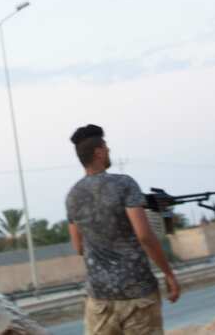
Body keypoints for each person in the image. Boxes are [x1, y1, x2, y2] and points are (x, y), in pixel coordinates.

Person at [65, 124, 181, 335]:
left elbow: (78, 246)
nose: (109, 151)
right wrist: (169, 274)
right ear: (98, 152)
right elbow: (144, 235)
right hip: (138, 294)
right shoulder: (124, 184)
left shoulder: (72, 195)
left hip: (99, 299)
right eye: (106, 147)